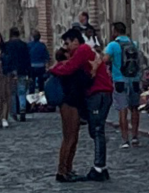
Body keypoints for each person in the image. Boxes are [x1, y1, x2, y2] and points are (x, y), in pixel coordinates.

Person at [47, 27, 110, 181]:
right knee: (70, 137)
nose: (68, 49)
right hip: (69, 103)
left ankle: (68, 169)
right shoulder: (71, 66)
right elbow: (76, 74)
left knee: (74, 137)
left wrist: (93, 71)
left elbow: (79, 74)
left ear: (76, 41)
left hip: (76, 102)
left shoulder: (81, 53)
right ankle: (62, 171)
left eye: (68, 44)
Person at [102, 21, 145, 145]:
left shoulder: (113, 45)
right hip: (135, 80)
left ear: (115, 31)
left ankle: (125, 139)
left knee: (122, 110)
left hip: (120, 80)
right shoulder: (134, 44)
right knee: (135, 109)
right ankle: (135, 136)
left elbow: (105, 60)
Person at [2, 28, 32, 120]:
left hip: (10, 71)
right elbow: (27, 59)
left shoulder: (6, 45)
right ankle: (22, 109)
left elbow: (5, 59)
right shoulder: (23, 45)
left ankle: (14, 112)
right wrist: (29, 72)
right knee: (22, 91)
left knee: (12, 93)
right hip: (22, 70)